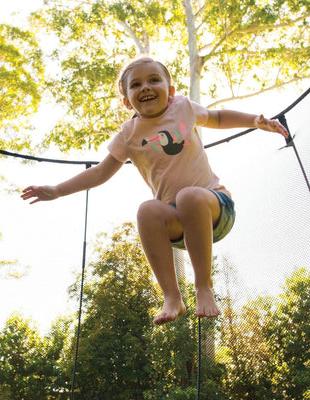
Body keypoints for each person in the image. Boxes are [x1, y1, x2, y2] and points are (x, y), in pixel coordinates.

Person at [21, 56, 288, 325]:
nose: (146, 87)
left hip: (215, 210)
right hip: (177, 226)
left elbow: (217, 117)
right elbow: (100, 172)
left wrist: (255, 120)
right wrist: (57, 190)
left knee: (189, 195)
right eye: (136, 85)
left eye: (154, 80)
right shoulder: (129, 134)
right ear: (127, 101)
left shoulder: (183, 107)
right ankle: (172, 296)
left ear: (170, 91)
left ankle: (203, 287)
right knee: (147, 209)